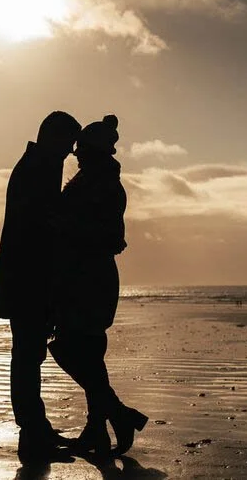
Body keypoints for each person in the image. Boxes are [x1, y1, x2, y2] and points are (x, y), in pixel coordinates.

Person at [47, 114, 148, 456]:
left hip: (89, 278)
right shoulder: (95, 180)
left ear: (93, 151)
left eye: (81, 150)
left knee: (71, 349)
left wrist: (61, 226)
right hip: (87, 276)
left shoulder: (100, 184)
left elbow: (107, 236)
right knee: (88, 354)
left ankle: (118, 414)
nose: (75, 155)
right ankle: (98, 430)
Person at [0, 110, 82, 463]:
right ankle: (32, 437)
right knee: (27, 359)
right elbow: (41, 232)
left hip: (25, 280)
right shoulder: (37, 169)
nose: (70, 152)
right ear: (51, 137)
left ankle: (37, 430)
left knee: (29, 358)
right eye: (68, 144)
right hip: (28, 282)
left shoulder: (36, 165)